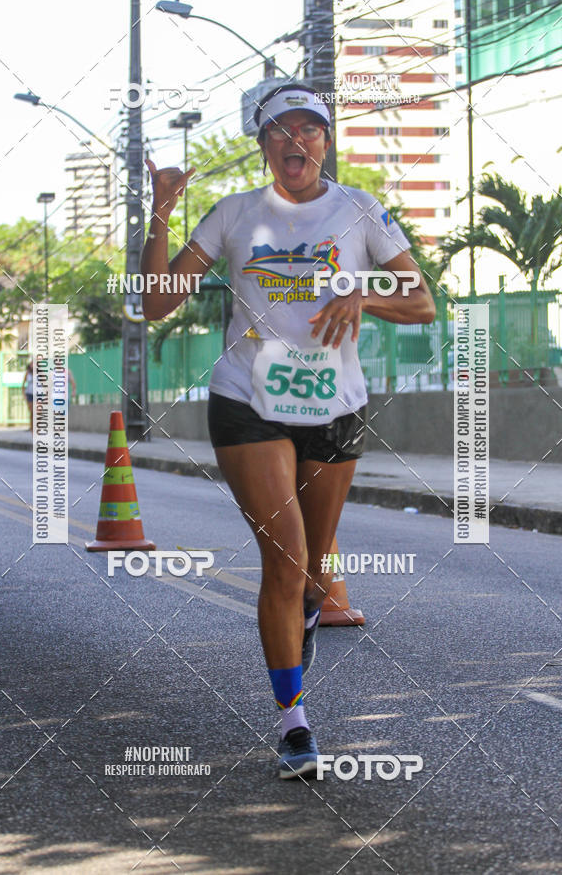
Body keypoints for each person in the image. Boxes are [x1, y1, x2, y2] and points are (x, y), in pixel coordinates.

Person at [141, 83, 436, 780]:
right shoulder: (234, 214)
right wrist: (159, 215)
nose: (295, 140)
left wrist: (365, 293)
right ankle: (294, 723)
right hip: (248, 401)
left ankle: (306, 603)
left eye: (310, 129)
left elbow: (421, 300)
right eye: (280, 130)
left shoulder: (359, 210)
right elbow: (154, 303)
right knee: (285, 561)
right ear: (264, 144)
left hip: (336, 405)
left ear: (326, 143)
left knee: (309, 567)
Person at [22, 359, 34, 430]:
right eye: (32, 364)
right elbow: (23, 385)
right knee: (32, 411)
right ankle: (31, 426)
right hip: (29, 394)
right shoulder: (27, 373)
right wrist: (24, 395)